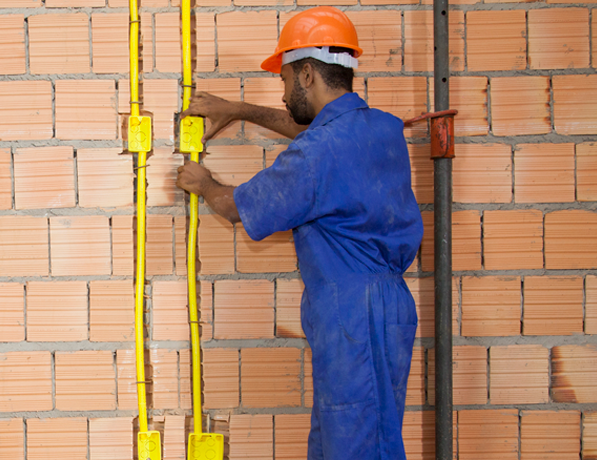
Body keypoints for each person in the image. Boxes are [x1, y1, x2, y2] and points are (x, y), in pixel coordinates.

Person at [175, 7, 423, 460]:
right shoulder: (380, 128)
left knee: (355, 445)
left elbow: (237, 208)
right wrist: (240, 111)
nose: (285, 92)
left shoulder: (317, 154)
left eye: (286, 80)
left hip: (353, 316)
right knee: (348, 438)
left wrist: (202, 183)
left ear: (307, 74)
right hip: (381, 309)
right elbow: (310, 129)